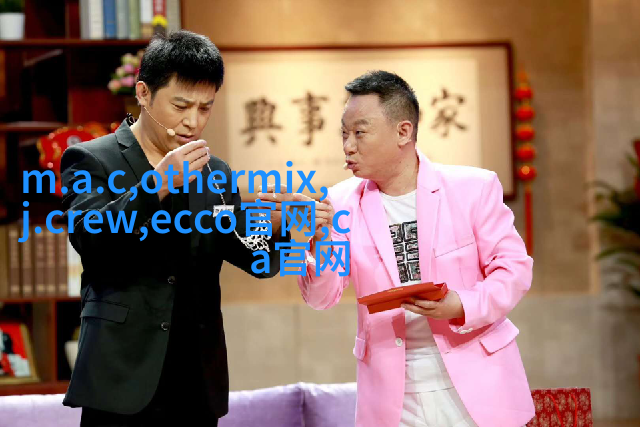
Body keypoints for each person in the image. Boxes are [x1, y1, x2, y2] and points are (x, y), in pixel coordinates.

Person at [262, 70, 535, 427]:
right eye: (344, 134)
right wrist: (321, 234)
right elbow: (321, 297)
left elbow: (514, 270)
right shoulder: (340, 203)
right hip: (393, 398)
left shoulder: (473, 188)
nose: (348, 146)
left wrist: (461, 305)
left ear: (403, 132)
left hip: (479, 384)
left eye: (360, 132)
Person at [61, 30, 287, 426]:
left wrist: (276, 224)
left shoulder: (215, 172)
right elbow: (91, 238)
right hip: (121, 379)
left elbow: (258, 260)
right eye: (181, 105)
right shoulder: (90, 159)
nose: (192, 121)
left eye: (205, 108)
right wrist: (157, 186)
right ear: (144, 93)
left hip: (196, 382)